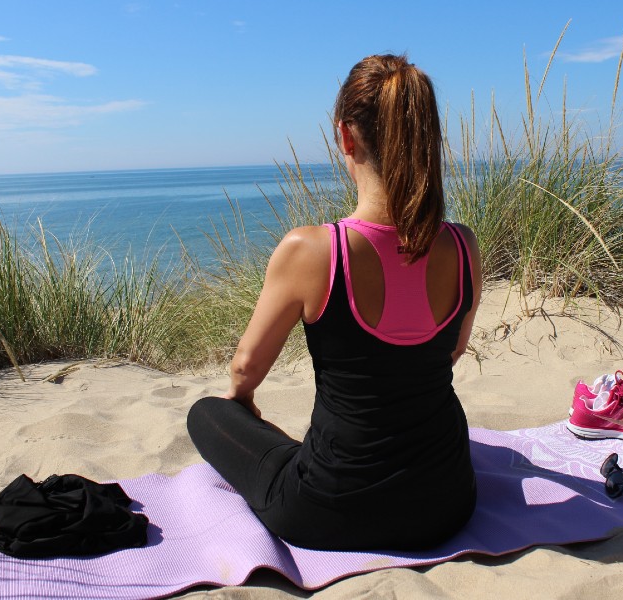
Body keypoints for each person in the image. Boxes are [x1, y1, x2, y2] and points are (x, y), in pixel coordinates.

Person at [187, 54, 483, 551]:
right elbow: (451, 351)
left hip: (330, 510)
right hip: (447, 503)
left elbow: (243, 370)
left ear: (345, 136)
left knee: (205, 412)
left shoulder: (312, 250)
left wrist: (242, 406)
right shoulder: (463, 245)